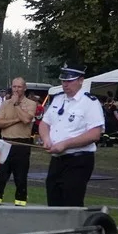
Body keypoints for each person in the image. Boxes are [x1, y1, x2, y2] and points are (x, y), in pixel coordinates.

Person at [39, 64, 104, 207]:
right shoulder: (58, 99)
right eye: (63, 81)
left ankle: (76, 228)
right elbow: (44, 124)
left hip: (78, 159)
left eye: (69, 81)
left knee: (71, 201)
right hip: (57, 160)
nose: (65, 84)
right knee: (54, 200)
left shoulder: (89, 102)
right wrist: (46, 139)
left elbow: (94, 134)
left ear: (81, 80)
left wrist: (65, 144)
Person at [0, 77, 38, 206]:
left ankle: (20, 204)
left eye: (19, 87)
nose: (16, 89)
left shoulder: (31, 104)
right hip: (5, 143)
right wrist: (16, 120)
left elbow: (27, 120)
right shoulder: (5, 104)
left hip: (22, 144)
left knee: (20, 178)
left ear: (25, 88)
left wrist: (16, 105)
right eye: (14, 86)